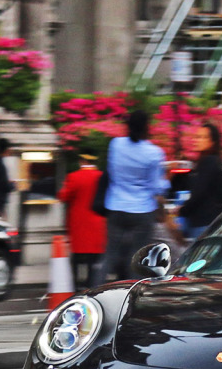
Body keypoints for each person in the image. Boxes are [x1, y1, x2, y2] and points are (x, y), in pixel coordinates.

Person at [103, 110, 168, 281]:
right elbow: (156, 188)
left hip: (116, 206)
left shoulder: (115, 145)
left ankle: (96, 288)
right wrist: (167, 179)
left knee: (109, 255)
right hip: (142, 210)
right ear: (147, 127)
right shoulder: (154, 153)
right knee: (137, 258)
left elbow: (112, 171)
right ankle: (132, 296)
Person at [177, 121, 222, 239]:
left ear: (212, 142)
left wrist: (182, 210)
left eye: (202, 137)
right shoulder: (208, 162)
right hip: (203, 222)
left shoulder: (209, 162)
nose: (197, 140)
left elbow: (199, 192)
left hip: (204, 223)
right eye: (197, 137)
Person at [58, 152, 108, 288]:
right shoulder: (101, 176)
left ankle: (75, 285)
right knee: (95, 259)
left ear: (81, 161)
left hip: (79, 224)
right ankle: (93, 285)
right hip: (98, 222)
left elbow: (63, 196)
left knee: (76, 258)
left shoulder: (73, 177)